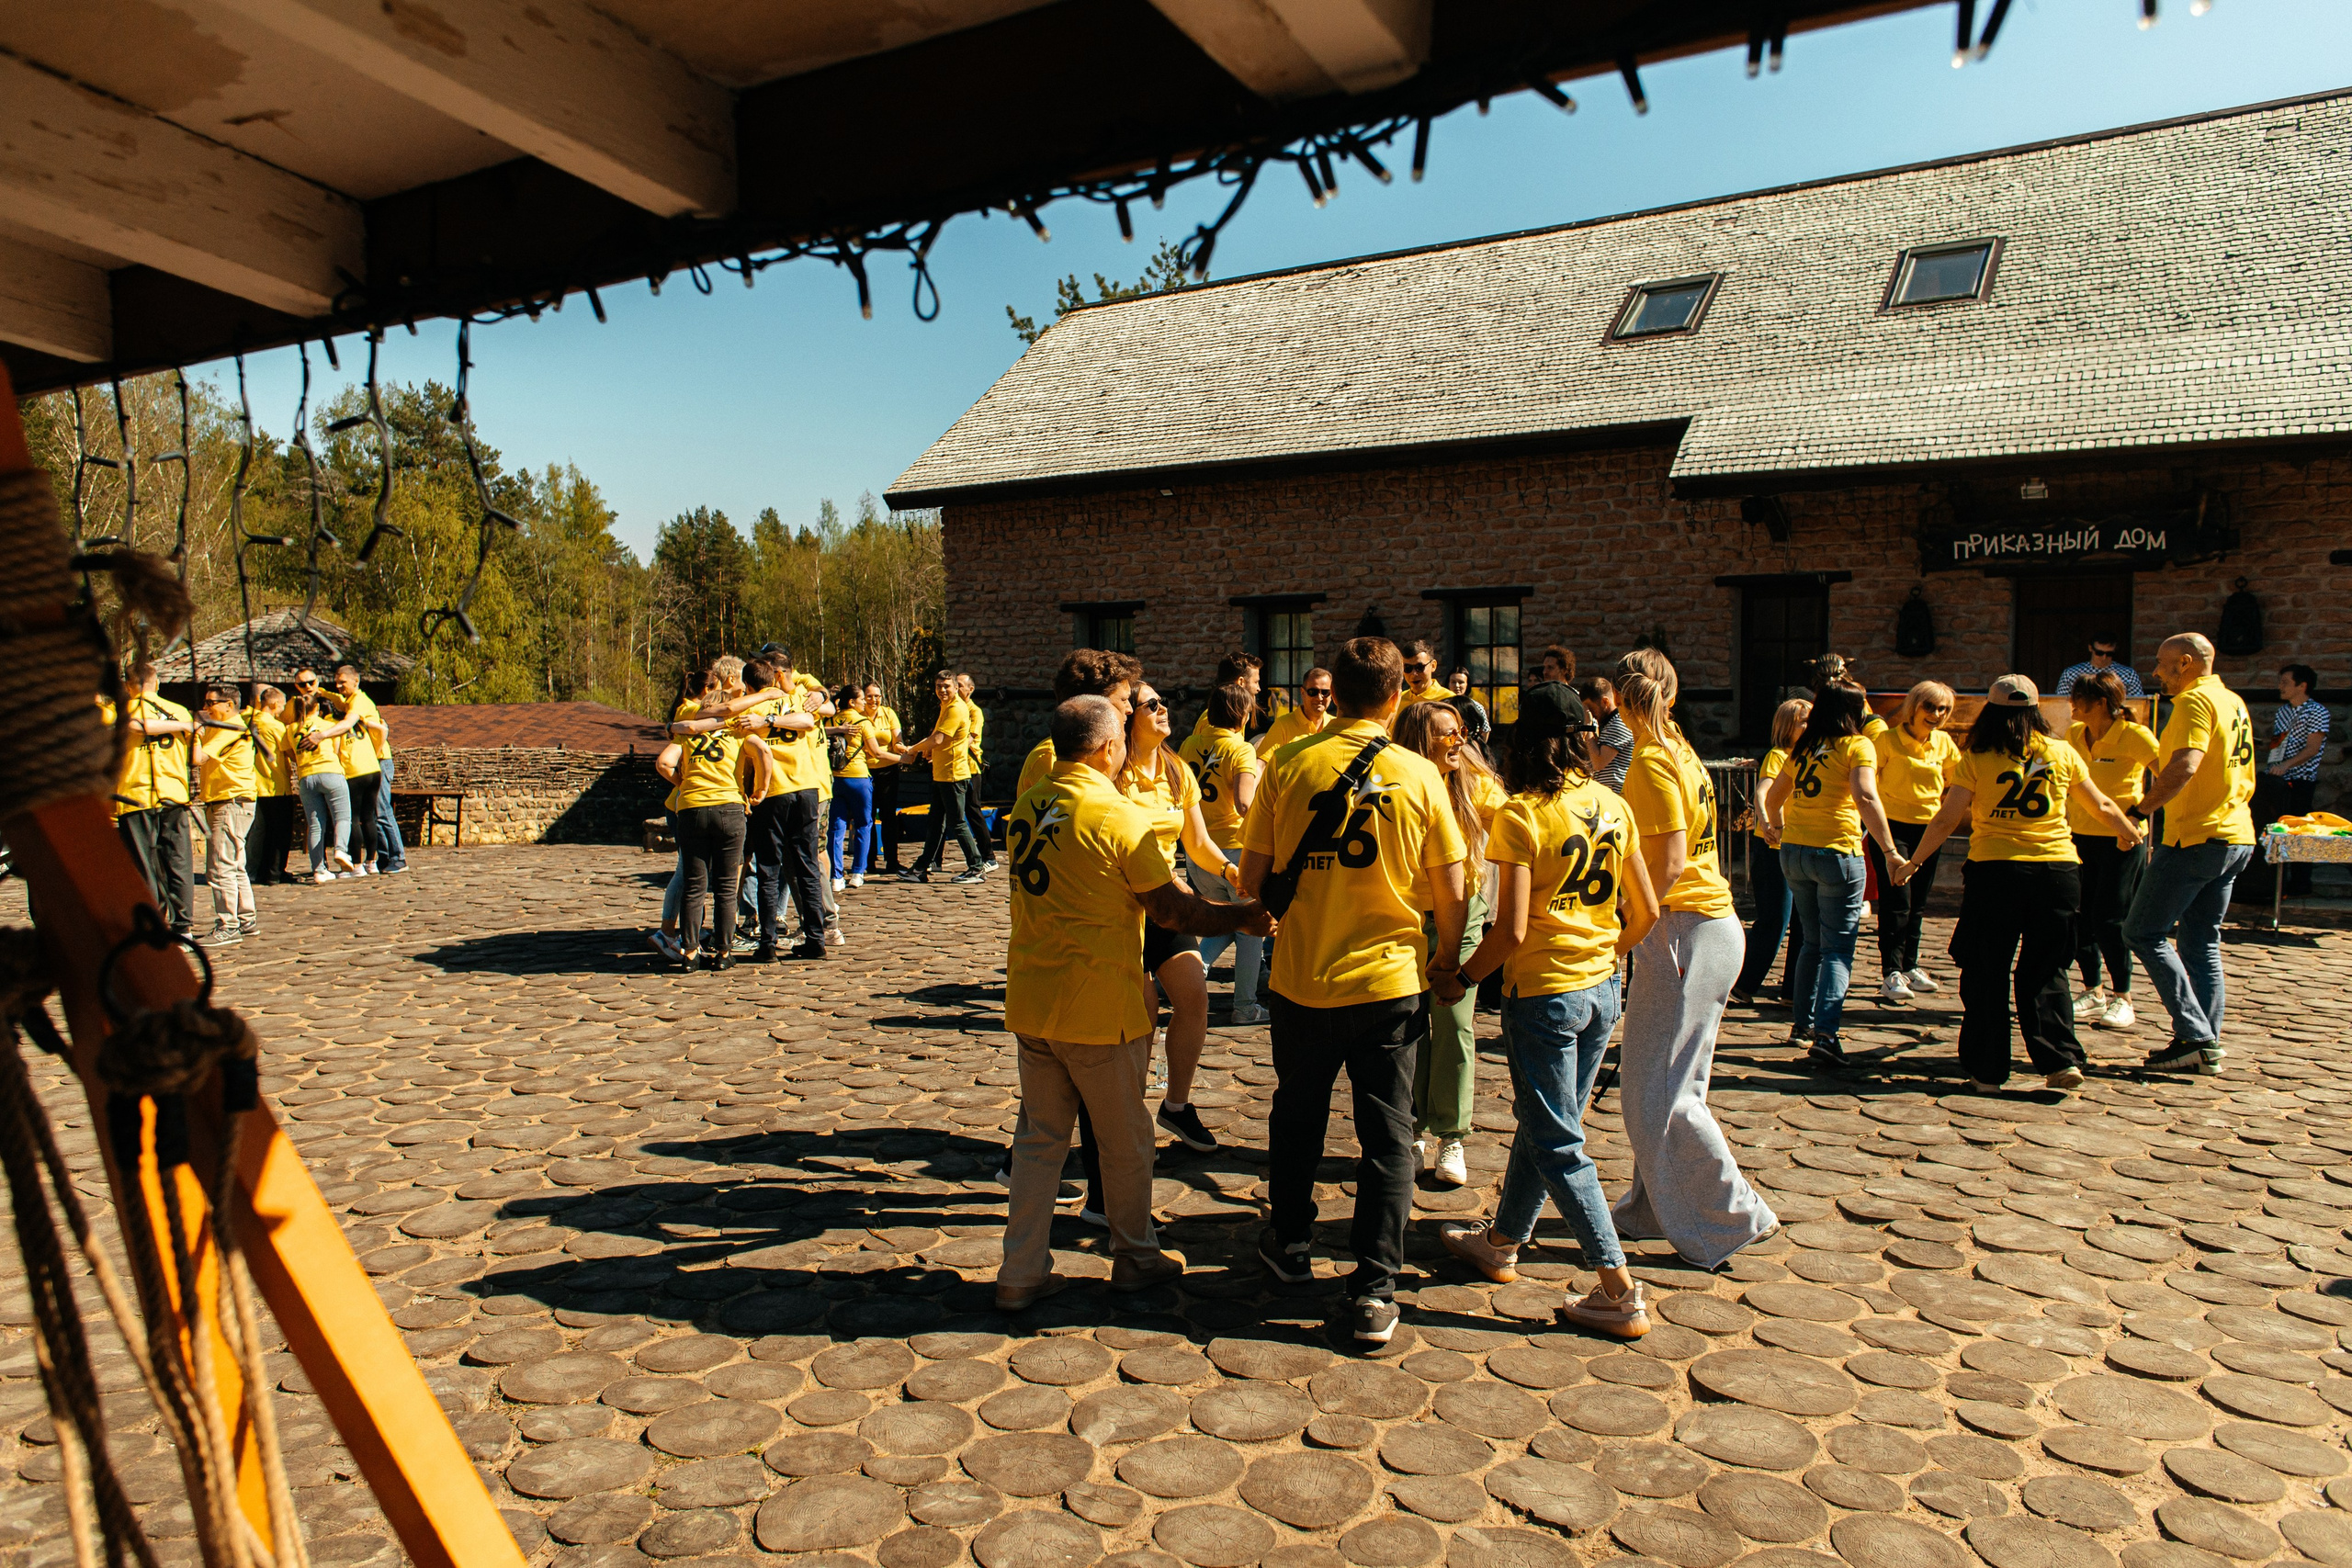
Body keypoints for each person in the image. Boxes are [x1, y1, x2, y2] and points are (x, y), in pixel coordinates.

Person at [994, 694, 1271, 1311]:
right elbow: (1170, 909)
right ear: (1104, 748)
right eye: (1119, 734)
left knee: (1039, 1141)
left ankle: (1020, 1270)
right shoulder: (1115, 814)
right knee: (1125, 1140)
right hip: (1097, 1001)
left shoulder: (1029, 803)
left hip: (1034, 999)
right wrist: (1241, 917)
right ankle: (1137, 1256)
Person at [1239, 637, 1468, 1347]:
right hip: (1390, 981)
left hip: (1304, 977)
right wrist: (1447, 963)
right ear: (1398, 697)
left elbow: (1251, 880)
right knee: (1388, 1137)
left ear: (1331, 692)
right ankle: (1374, 1286)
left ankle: (1291, 1241)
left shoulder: (1287, 762)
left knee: (1297, 1118)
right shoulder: (1420, 774)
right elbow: (1453, 889)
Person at [1437, 681, 1658, 1336]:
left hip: (1543, 993)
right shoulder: (1614, 804)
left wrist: (1462, 979)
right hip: (1601, 988)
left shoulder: (1521, 814)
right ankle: (1503, 1239)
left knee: (1559, 1139)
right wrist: (1604, 952)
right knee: (1548, 1124)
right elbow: (1645, 911)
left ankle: (1618, 1289)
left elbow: (1509, 930)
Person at [1892, 674, 2142, 1091]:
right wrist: (2128, 831)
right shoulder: (2062, 751)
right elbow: (2099, 803)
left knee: (1986, 970)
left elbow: (1948, 817)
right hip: (2058, 871)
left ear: (1990, 712)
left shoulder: (1978, 757)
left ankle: (1987, 1070)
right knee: (2047, 969)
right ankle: (2059, 1059)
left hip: (1996, 871)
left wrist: (1914, 861)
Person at [1611, 649, 1780, 1269]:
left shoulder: (1651, 760)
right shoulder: (1679, 748)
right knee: (1668, 1082)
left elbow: (1671, 861)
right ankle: (1651, 1209)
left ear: (1621, 700)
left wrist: (1626, 929)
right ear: (1672, 694)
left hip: (1684, 929)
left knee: (1656, 1094)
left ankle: (1733, 1215)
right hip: (1707, 928)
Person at [1118, 680, 1244, 1157]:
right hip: (1125, 907)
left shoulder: (1176, 769)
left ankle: (1176, 1105)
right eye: (1151, 704)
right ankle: (1128, 1116)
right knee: (1144, 1011)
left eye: (1163, 701)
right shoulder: (1114, 772)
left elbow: (1199, 843)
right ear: (1129, 718)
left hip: (1167, 903)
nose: (1163, 708)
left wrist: (1230, 870)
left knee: (1194, 997)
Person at [2122, 633, 2257, 1076]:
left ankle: (2195, 1035)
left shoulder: (2193, 701)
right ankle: (2203, 1043)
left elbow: (2185, 764)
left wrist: (2140, 810)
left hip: (2196, 837)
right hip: (2235, 834)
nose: (2155, 672)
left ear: (2185, 662)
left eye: (2162, 664)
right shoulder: (2232, 699)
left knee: (2142, 932)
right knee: (2201, 943)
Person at [1392, 698, 1504, 1188]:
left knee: (1455, 1023)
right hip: (1410, 915)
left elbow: (1516, 822)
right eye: (1449, 733)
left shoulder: (1475, 784)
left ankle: (1451, 1135)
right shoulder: (1400, 781)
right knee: (1410, 1025)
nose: (1461, 740)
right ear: (1421, 739)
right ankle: (1414, 1128)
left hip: (1464, 912)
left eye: (1462, 731)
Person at [1760, 680, 1901, 1071]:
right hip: (1837, 851)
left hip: (1795, 852)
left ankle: (1802, 1024)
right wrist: (1890, 851)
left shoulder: (1804, 747)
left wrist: (1775, 826)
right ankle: (1826, 1033)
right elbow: (1865, 795)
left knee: (1811, 942)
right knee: (1837, 948)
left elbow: (1774, 796)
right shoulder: (1858, 746)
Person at [654, 667, 774, 970]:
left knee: (694, 885)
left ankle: (690, 952)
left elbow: (664, 763)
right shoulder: (738, 732)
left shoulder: (687, 733)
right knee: (725, 886)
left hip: (692, 809)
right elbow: (763, 751)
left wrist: (683, 783)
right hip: (729, 809)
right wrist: (760, 789)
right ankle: (723, 952)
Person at [2065, 670, 2158, 1030]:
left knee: (2109, 919)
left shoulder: (2135, 735)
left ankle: (2124, 997)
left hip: (2122, 840)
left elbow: (2168, 776)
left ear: (2101, 703)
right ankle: (2093, 991)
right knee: (2079, 917)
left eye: (2078, 700)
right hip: (2077, 836)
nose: (2071, 705)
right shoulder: (2074, 734)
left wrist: (2137, 815)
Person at [1177, 682, 1266, 1025]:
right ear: (1243, 714)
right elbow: (1245, 803)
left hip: (1199, 851)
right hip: (1234, 852)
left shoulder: (1190, 744)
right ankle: (1245, 1006)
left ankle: (1186, 973)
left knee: (1226, 922)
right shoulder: (1241, 750)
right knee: (1251, 929)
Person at [1866, 682, 1960, 1004]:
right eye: (1929, 707)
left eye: (1943, 709)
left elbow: (1957, 781)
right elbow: (1867, 784)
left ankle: (1910, 966)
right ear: (1914, 706)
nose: (1936, 714)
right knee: (1897, 900)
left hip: (1929, 829)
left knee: (1918, 902)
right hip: (1891, 829)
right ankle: (1890, 972)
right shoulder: (1887, 740)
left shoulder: (1944, 742)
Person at [746, 649, 834, 958]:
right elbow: (810, 718)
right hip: (806, 789)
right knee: (807, 865)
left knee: (769, 868)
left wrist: (766, 720)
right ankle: (816, 939)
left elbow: (815, 715)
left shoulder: (753, 704)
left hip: (773, 790)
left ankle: (768, 943)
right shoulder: (795, 698)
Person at [106, 660, 199, 932]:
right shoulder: (179, 711)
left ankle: (152, 926)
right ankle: (183, 926)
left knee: (143, 865)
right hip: (174, 795)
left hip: (136, 796)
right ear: (156, 683)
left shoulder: (119, 710)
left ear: (127, 685)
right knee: (179, 861)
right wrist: (185, 726)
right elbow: (195, 757)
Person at [1731, 698, 1808, 1008]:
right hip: (1773, 849)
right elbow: (1762, 791)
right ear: (1788, 726)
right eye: (1803, 721)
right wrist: (1765, 820)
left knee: (1804, 923)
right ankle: (1742, 984)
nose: (1809, 726)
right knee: (1775, 920)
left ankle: (1794, 991)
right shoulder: (1778, 756)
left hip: (1800, 845)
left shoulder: (1812, 756)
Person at [2249, 662, 2331, 898]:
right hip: (2277, 780)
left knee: (2298, 831)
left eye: (2285, 682)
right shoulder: (2283, 712)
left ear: (2302, 686)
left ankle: (2300, 882)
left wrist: (2287, 765)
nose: (2280, 687)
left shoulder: (2317, 711)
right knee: (2275, 829)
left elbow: (2312, 748)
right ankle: (2273, 882)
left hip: (2300, 780)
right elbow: (2280, 744)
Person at [901, 671, 988, 885]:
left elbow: (938, 739)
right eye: (939, 686)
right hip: (942, 774)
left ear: (956, 688)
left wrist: (912, 749)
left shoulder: (956, 708)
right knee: (935, 822)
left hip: (953, 775)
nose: (942, 690)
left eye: (947, 686)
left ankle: (977, 867)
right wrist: (925, 749)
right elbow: (936, 738)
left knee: (957, 823)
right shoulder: (946, 707)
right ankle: (921, 868)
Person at [1021, 650, 1146, 795]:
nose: (1129, 709)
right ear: (1092, 703)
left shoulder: (1114, 748)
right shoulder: (1051, 759)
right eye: (1123, 700)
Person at [192, 685, 259, 945]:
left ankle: (228, 924)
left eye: (211, 703)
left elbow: (198, 758)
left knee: (220, 867)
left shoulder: (230, 728)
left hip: (229, 803)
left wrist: (194, 735)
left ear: (229, 705)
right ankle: (246, 919)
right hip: (232, 802)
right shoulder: (223, 727)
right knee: (235, 865)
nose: (206, 708)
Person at [284, 687, 360, 883]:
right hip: (330, 772)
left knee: (315, 825)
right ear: (317, 708)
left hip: (306, 777)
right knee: (342, 817)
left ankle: (319, 870)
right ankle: (341, 850)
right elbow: (336, 748)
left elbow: (290, 753)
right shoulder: (327, 725)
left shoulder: (290, 729)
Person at [322, 665, 388, 874]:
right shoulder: (359, 717)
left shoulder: (341, 721)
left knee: (353, 818)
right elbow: (382, 729)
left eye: (342, 683)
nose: (339, 687)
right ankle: (372, 862)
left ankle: (357, 865)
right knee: (369, 817)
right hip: (372, 769)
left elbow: (336, 749)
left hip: (354, 771)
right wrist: (376, 751)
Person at [830, 684, 897, 890]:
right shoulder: (862, 722)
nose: (864, 703)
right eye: (861, 700)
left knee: (837, 827)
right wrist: (901, 759)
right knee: (863, 825)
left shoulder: (831, 721)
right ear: (852, 702)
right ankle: (858, 872)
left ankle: (836, 876)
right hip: (859, 778)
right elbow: (876, 752)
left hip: (835, 779)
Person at [244, 683, 298, 888]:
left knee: (263, 831)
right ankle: (275, 872)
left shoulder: (248, 721)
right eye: (282, 705)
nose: (283, 710)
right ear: (275, 704)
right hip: (276, 782)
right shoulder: (275, 726)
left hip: (256, 783)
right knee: (280, 832)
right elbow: (290, 753)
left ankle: (261, 869)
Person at [957, 672, 998, 871]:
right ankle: (934, 860)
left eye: (959, 685)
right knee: (942, 814)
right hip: (952, 768)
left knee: (973, 811)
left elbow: (969, 739)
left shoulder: (974, 712)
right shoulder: (951, 709)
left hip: (970, 768)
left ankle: (989, 857)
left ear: (970, 689)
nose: (955, 689)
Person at [866, 683, 907, 874]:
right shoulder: (858, 715)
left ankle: (892, 861)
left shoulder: (888, 713)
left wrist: (905, 749)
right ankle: (869, 861)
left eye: (877, 696)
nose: (874, 700)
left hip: (888, 771)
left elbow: (897, 741)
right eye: (869, 696)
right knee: (867, 817)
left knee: (888, 816)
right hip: (865, 772)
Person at [1256, 666, 1332, 757]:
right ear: (1302, 693)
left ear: (1332, 694)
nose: (1319, 698)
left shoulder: (1335, 725)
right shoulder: (1283, 726)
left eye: (1325, 692)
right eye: (1313, 692)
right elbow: (1262, 761)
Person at [2055, 636, 2146, 700]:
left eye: (2109, 654)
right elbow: (2061, 702)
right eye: (2099, 653)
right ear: (2090, 648)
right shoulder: (2071, 673)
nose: (2104, 657)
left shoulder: (2128, 674)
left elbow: (2137, 703)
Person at [1582, 677, 1633, 793]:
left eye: (1590, 708)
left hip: (1618, 796)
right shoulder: (1610, 724)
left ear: (1605, 702)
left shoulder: (1618, 724)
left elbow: (1598, 763)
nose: (1589, 713)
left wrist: (1587, 727)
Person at [1396, 640, 1451, 715]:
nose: (1414, 674)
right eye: (1407, 668)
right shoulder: (1397, 701)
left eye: (1419, 667)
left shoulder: (1448, 700)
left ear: (1433, 666)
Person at [1446, 669, 1491, 750]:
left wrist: (1479, 748)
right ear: (1448, 684)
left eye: (1461, 682)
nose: (1457, 685)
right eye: (1453, 682)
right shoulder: (1442, 705)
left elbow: (1485, 730)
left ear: (1467, 684)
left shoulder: (1476, 706)